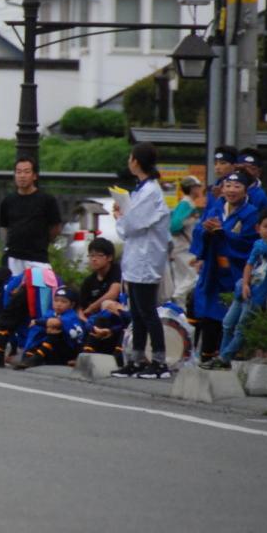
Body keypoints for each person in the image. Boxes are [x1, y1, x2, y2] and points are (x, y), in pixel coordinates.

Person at [110, 142, 173, 380]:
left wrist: (119, 216)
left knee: (147, 311)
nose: (129, 161)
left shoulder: (150, 192)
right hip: (137, 259)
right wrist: (124, 215)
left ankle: (159, 361)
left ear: (136, 161)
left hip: (146, 260)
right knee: (137, 312)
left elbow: (131, 226)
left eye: (130, 157)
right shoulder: (143, 189)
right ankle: (137, 359)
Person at [188, 172, 259, 364]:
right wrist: (206, 230)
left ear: (245, 190)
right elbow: (198, 231)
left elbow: (247, 243)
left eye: (237, 186)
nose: (231, 190)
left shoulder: (250, 213)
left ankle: (226, 356)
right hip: (212, 270)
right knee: (208, 311)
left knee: (228, 315)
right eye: (228, 185)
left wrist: (223, 233)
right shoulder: (217, 207)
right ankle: (206, 355)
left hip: (234, 272)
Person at [204, 206, 267, 370]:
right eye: (266, 227)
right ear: (258, 228)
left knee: (242, 327)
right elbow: (249, 265)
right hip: (245, 289)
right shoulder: (258, 243)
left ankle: (225, 357)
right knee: (228, 323)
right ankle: (222, 356)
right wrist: (246, 284)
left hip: (259, 294)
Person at [0, 157, 62, 278]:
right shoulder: (8, 201)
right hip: (14, 257)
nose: (22, 176)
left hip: (37, 257)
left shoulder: (47, 200)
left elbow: (55, 228)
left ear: (34, 176)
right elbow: (5, 227)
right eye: (18, 172)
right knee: (14, 292)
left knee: (39, 292)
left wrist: (41, 241)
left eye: (27, 172)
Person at [15, 287, 86, 370]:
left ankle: (38, 357)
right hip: (52, 348)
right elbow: (44, 322)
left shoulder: (71, 315)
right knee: (38, 329)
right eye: (56, 300)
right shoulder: (51, 312)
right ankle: (29, 356)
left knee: (53, 329)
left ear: (72, 305)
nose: (59, 304)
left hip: (68, 349)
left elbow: (54, 322)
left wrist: (37, 321)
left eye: (63, 301)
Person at [168, 176, 205, 301]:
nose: (200, 189)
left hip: (181, 248)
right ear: (192, 188)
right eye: (198, 186)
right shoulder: (186, 204)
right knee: (194, 277)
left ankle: (178, 311)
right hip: (185, 248)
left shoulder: (186, 203)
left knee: (181, 280)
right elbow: (174, 226)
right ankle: (175, 297)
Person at [79, 237, 122, 318]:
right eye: (91, 255)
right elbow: (80, 307)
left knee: (108, 305)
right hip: (94, 319)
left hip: (116, 315)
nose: (94, 259)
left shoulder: (117, 271)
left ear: (110, 257)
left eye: (99, 255)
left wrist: (91, 308)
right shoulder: (88, 281)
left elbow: (113, 293)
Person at [82, 299, 131, 367]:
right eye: (107, 308)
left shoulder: (125, 314)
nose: (110, 309)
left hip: (118, 340)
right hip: (103, 338)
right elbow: (89, 322)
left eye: (111, 306)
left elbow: (127, 324)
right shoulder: (103, 316)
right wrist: (94, 329)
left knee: (125, 330)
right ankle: (88, 351)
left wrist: (119, 312)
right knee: (100, 321)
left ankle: (118, 356)